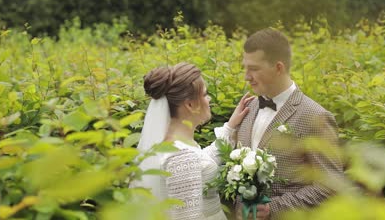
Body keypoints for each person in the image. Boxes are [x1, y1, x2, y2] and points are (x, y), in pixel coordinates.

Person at [234, 28, 343, 219]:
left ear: (278, 68)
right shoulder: (248, 108)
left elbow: (330, 185)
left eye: (254, 69)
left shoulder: (315, 116)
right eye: (245, 67)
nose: (246, 76)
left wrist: (273, 209)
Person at [134, 62, 254, 220]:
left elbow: (201, 161)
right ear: (190, 104)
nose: (209, 99)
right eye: (204, 94)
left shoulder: (173, 145)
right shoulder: (181, 156)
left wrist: (230, 128)